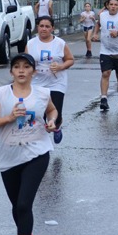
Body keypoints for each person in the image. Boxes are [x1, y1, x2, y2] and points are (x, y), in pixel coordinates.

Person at [0, 53, 58, 235]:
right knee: (17, 207)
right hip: (9, 157)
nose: (22, 70)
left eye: (26, 66)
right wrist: (8, 118)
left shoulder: (43, 94)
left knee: (25, 204)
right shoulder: (1, 95)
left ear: (33, 71)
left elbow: (51, 110)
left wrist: (52, 121)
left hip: (37, 153)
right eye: (17, 67)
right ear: (12, 72)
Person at [23, 15, 74, 143]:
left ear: (52, 28)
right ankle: (39, 137)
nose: (44, 29)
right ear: (37, 27)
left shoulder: (60, 43)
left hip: (56, 82)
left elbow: (70, 60)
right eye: (41, 26)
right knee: (40, 112)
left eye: (47, 26)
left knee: (55, 111)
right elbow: (25, 62)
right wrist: (29, 71)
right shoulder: (31, 43)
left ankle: (57, 126)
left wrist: (61, 66)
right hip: (37, 82)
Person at [92, 0, 118, 110]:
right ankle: (104, 99)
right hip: (105, 51)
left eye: (116, 4)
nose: (113, 6)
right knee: (105, 74)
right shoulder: (102, 15)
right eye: (111, 4)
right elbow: (98, 24)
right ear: (107, 5)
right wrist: (95, 34)